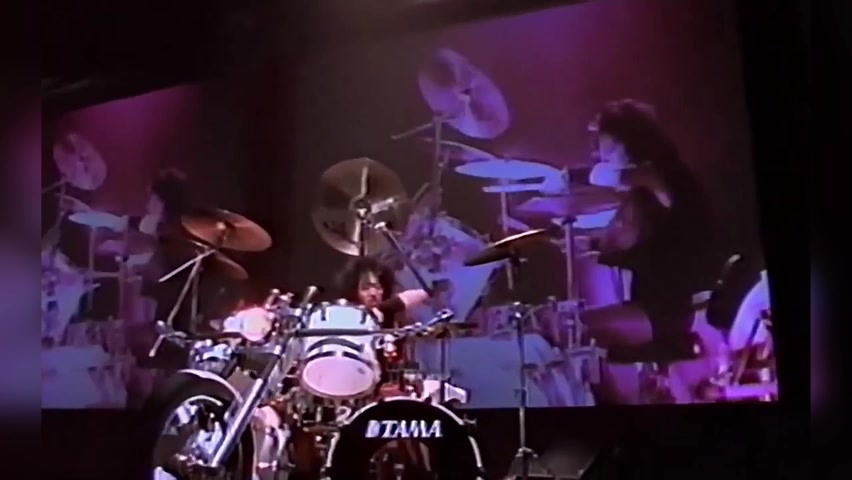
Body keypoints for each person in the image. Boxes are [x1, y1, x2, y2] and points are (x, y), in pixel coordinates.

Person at [581, 99, 731, 368]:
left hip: (670, 309)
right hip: (660, 302)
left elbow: (610, 177)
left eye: (607, 145)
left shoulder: (659, 174)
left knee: (574, 331)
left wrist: (571, 178)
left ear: (629, 142)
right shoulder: (661, 177)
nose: (600, 153)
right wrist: (591, 244)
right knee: (574, 328)